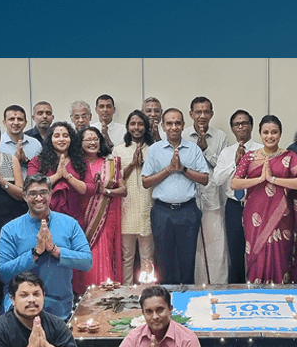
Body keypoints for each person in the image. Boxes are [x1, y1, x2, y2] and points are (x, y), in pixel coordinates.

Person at [0, 174, 92, 319]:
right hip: (20, 313)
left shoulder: (69, 224)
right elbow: (3, 274)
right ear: (24, 196)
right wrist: (35, 253)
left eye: (43, 193)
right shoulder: (10, 230)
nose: (39, 198)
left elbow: (86, 261)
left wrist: (55, 250)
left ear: (51, 194)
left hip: (60, 310)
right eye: (33, 194)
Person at [231, 115, 297, 284]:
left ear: (280, 134)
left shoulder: (289, 156)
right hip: (255, 214)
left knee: (280, 255)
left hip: (281, 215)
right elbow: (234, 183)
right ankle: (256, 292)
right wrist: (260, 179)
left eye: (274, 132)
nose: (270, 136)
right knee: (256, 256)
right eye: (266, 132)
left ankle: (281, 296)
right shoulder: (250, 157)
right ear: (260, 134)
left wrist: (273, 180)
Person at [142, 108, 210, 285]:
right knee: (164, 261)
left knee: (187, 261)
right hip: (162, 212)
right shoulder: (155, 150)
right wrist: (169, 169)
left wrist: (183, 169)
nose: (174, 127)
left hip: (188, 210)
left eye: (177, 123)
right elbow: (145, 182)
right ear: (163, 126)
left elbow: (204, 179)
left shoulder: (193, 148)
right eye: (170, 123)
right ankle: (165, 300)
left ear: (183, 125)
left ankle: (188, 300)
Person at [73, 126, 126, 292]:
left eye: (95, 139)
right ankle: (84, 295)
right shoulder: (75, 165)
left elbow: (123, 191)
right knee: (84, 253)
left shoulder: (110, 164)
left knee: (103, 253)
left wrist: (105, 191)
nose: (92, 142)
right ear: (80, 143)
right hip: (81, 217)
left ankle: (105, 294)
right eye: (87, 139)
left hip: (105, 215)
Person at [214, 110, 262, 283]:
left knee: (257, 249)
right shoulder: (226, 153)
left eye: (244, 123)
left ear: (251, 126)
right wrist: (235, 164)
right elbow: (217, 180)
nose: (241, 127)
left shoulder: (261, 150)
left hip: (256, 205)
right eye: (237, 124)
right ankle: (236, 288)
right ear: (232, 129)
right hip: (233, 206)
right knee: (235, 251)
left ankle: (257, 286)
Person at [187, 96, 229, 285]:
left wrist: (205, 150)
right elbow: (183, 165)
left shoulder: (221, 137)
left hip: (213, 198)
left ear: (211, 113)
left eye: (206, 112)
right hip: (189, 199)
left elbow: (223, 167)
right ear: (191, 114)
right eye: (198, 112)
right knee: (193, 248)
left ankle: (218, 287)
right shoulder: (183, 135)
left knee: (216, 247)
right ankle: (198, 287)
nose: (202, 116)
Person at [112, 110, 155, 284]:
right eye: (132, 124)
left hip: (147, 208)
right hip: (126, 209)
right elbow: (114, 178)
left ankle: (149, 292)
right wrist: (132, 165)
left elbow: (158, 176)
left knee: (147, 257)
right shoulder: (118, 149)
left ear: (145, 127)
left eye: (140, 124)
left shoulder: (153, 149)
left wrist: (145, 166)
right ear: (128, 127)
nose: (136, 128)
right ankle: (127, 293)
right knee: (126, 258)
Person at [27, 121, 88, 218]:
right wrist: (57, 176)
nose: (61, 139)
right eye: (56, 136)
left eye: (65, 136)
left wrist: (68, 177)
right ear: (50, 139)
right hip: (45, 215)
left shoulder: (81, 161)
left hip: (77, 215)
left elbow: (90, 188)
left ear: (71, 139)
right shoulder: (38, 161)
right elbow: (31, 185)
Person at [0, 104, 42, 169]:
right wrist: (14, 162)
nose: (16, 123)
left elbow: (41, 171)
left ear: (25, 123)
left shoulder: (35, 144)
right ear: (4, 122)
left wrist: (26, 161)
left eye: (20, 119)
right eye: (11, 119)